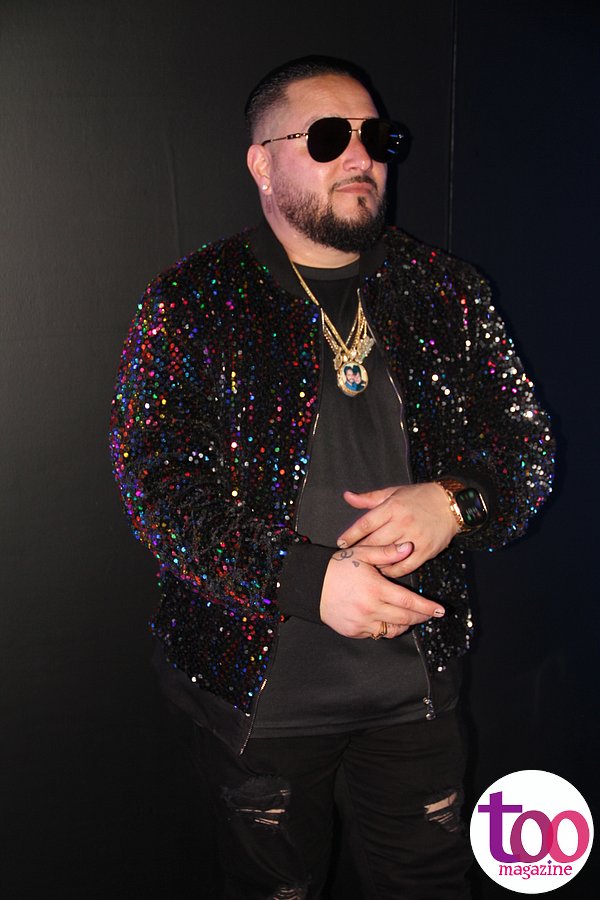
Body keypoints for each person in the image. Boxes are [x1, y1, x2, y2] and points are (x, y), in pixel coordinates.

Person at [109, 55, 554, 900]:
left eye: (376, 138)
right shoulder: (193, 301)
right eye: (326, 138)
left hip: (415, 692)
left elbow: (524, 448)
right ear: (261, 162)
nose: (360, 156)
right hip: (255, 701)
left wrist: (456, 501)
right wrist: (306, 580)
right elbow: (157, 488)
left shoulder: (447, 291)